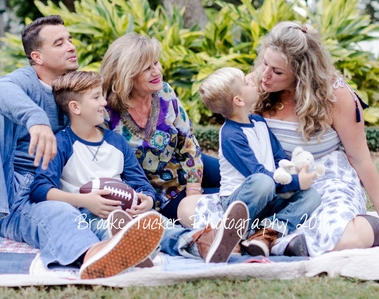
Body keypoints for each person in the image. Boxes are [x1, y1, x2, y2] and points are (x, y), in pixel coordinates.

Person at [254, 21, 379, 256]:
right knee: (222, 223)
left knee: (343, 237)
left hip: (328, 178)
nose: (266, 75)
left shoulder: (337, 96)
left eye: (278, 71)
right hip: (278, 180)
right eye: (264, 63)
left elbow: (360, 157)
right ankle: (289, 243)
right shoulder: (257, 86)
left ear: (303, 73)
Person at [29, 70, 250, 272]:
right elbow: (40, 189)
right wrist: (85, 201)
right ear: (75, 107)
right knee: (111, 225)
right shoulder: (62, 143)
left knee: (157, 223)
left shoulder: (115, 141)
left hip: (128, 210)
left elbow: (141, 184)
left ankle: (202, 242)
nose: (104, 103)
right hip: (88, 213)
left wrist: (146, 199)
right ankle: (132, 245)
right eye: (96, 98)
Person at [0, 15, 78, 265]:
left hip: (41, 193)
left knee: (64, 218)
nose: (71, 46)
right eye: (59, 43)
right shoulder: (26, 81)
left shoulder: (76, 86)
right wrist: (36, 118)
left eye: (69, 40)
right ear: (37, 57)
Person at [199, 67, 321, 257]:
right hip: (242, 200)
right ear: (238, 100)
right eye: (246, 83)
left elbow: (278, 156)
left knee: (312, 196)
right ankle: (234, 231)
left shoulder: (259, 122)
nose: (252, 82)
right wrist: (296, 182)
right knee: (262, 182)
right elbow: (257, 174)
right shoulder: (231, 135)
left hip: (270, 195)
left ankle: (264, 233)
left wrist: (295, 174)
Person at [99, 33, 221, 224]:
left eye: (156, 63)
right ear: (127, 74)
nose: (156, 71)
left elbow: (187, 141)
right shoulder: (105, 112)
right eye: (147, 68)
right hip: (160, 194)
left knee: (239, 177)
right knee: (228, 200)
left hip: (188, 166)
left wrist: (194, 189)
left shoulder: (164, 91)